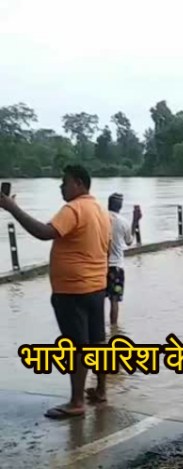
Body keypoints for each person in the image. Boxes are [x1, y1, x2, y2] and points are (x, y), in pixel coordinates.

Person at [0, 165, 110, 419]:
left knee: (78, 346)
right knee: (97, 342)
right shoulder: (99, 210)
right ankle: (101, 391)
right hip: (96, 287)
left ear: (79, 184)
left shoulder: (74, 209)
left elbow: (44, 233)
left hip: (73, 290)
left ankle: (76, 402)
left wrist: (12, 208)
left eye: (65, 182)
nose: (61, 186)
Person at [107, 192, 137, 326]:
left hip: (99, 266)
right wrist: (135, 221)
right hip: (117, 268)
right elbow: (130, 242)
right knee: (114, 300)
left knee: (96, 300)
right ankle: (114, 330)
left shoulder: (100, 218)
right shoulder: (123, 222)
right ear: (120, 206)